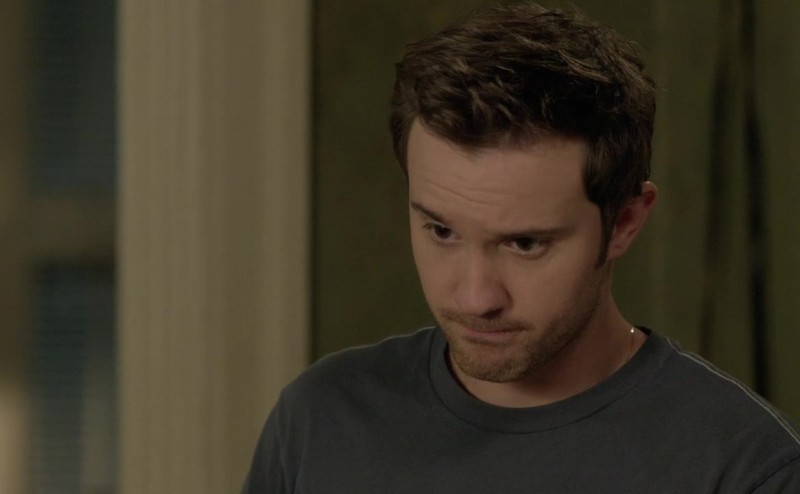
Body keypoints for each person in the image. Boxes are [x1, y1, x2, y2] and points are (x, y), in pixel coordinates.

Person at [243, 3, 800, 492]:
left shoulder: (748, 469)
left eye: (525, 243)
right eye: (441, 231)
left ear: (625, 222)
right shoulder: (320, 420)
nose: (475, 298)